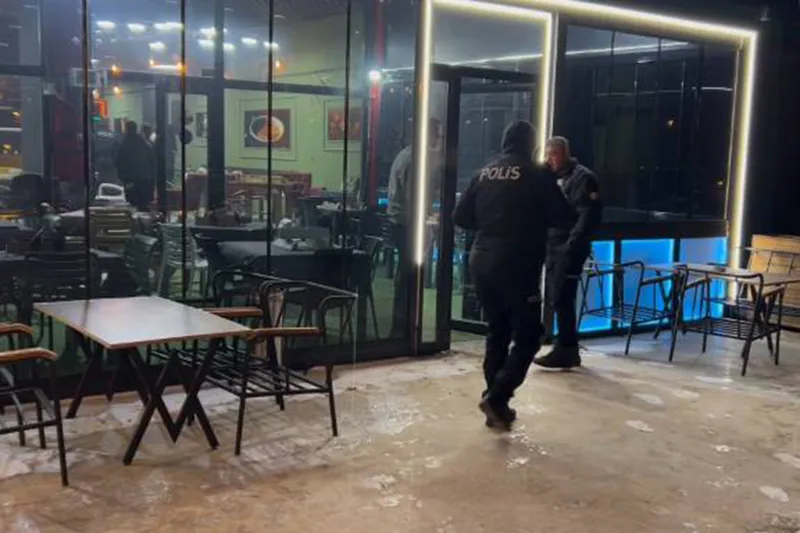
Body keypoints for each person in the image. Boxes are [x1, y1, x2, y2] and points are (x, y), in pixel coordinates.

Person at [453, 121, 572, 431]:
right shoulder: (537, 175)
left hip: (481, 263)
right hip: (518, 265)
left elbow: (460, 216)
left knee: (497, 330)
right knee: (530, 334)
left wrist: (490, 225)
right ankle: (498, 396)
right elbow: (566, 216)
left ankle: (495, 401)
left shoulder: (485, 172)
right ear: (531, 145)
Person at [535, 136, 602, 369]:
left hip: (569, 247)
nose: (549, 159)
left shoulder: (583, 178)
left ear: (565, 153)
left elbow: (587, 216)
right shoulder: (551, 177)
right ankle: (565, 346)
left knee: (562, 295)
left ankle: (566, 348)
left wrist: (572, 246)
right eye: (547, 154)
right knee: (556, 296)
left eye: (553, 154)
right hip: (552, 245)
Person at [386, 118, 443, 338]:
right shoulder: (415, 160)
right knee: (409, 276)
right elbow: (414, 199)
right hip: (407, 225)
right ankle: (403, 328)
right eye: (436, 133)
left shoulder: (406, 155)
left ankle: (403, 325)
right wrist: (429, 220)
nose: (438, 137)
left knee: (407, 275)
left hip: (401, 222)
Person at [116, 120, 155, 211]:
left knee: (132, 201)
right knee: (143, 201)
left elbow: (119, 160)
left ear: (126, 129)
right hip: (143, 177)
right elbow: (151, 159)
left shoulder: (124, 143)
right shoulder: (144, 142)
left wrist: (121, 176)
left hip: (129, 178)